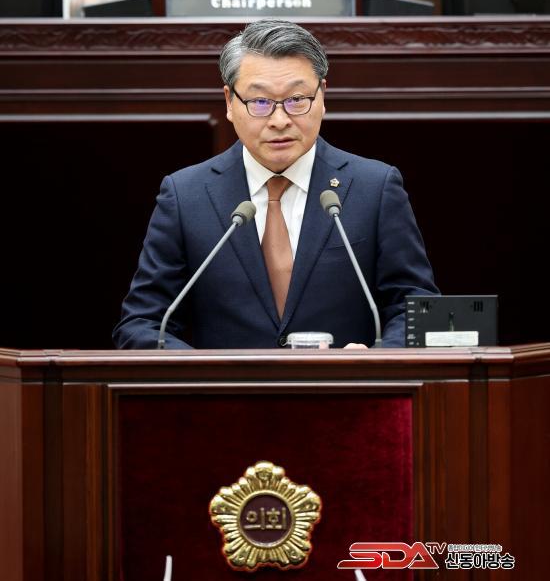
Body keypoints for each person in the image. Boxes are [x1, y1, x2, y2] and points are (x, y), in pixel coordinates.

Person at [113, 19, 438, 350]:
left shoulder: (375, 188)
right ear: (229, 102)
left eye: (297, 99)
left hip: (346, 383)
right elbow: (142, 323)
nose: (280, 120)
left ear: (322, 96)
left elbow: (417, 309)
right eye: (260, 102)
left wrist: (375, 361)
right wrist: (203, 371)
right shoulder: (185, 196)